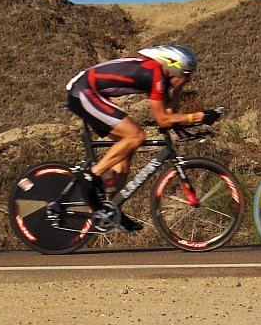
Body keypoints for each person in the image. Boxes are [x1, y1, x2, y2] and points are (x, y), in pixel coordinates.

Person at [65, 45, 218, 231]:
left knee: (126, 149)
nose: (189, 78)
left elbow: (168, 114)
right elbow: (163, 119)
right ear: (173, 67)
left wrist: (179, 89)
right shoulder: (154, 75)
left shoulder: (160, 75)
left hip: (91, 92)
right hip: (83, 91)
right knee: (135, 135)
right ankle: (91, 176)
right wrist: (198, 117)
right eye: (186, 73)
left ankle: (109, 209)